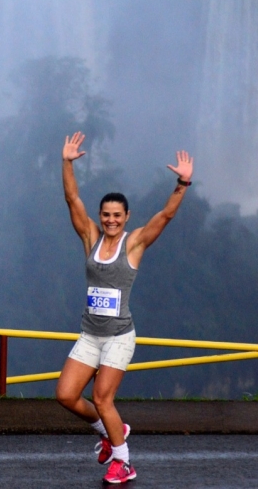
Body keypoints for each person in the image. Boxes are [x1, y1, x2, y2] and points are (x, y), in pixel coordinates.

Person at [56, 131, 193, 484]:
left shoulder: (133, 245)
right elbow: (72, 199)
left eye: (117, 215)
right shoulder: (90, 236)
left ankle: (124, 460)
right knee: (66, 395)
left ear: (127, 217)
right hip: (90, 334)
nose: (110, 220)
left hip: (118, 337)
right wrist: (67, 162)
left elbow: (164, 217)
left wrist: (182, 183)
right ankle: (110, 431)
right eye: (106, 214)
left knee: (103, 397)